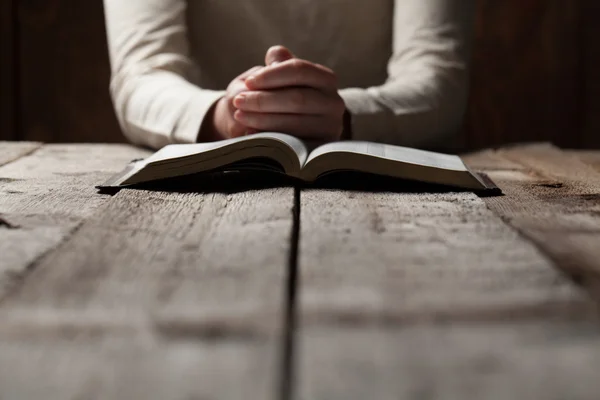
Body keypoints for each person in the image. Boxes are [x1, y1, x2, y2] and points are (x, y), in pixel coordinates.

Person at [103, 0, 474, 150]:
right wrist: (225, 114)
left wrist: (346, 115)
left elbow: (437, 80)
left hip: (384, 184)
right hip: (209, 182)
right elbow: (141, 76)